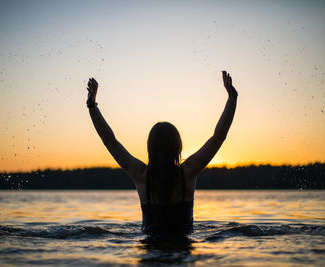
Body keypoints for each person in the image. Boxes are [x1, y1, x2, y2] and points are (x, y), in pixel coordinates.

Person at [86, 71, 237, 234]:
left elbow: (109, 141)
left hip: (150, 247)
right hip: (182, 248)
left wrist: (92, 106)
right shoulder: (188, 172)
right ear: (177, 147)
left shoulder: (141, 175)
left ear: (150, 147)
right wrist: (232, 99)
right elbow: (219, 136)